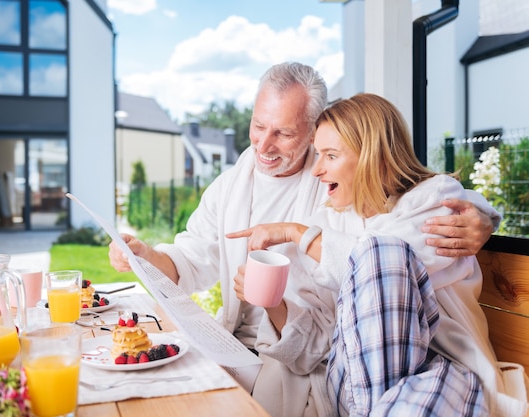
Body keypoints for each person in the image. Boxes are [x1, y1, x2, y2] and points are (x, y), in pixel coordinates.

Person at [109, 62, 496, 350]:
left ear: (314, 131)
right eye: (259, 126)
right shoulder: (232, 184)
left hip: (310, 347)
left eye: (283, 133)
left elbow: (388, 243)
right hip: (242, 341)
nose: (262, 146)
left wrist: (481, 215)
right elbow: (191, 259)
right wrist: (145, 255)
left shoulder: (337, 190)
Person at [226, 93, 527, 417]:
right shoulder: (327, 222)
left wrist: (297, 234)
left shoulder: (433, 200)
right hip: (350, 380)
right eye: (318, 155)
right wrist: (272, 303)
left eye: (330, 155)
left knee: (381, 254)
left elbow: (377, 265)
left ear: (373, 155)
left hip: (440, 369)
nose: (317, 170)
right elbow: (314, 349)